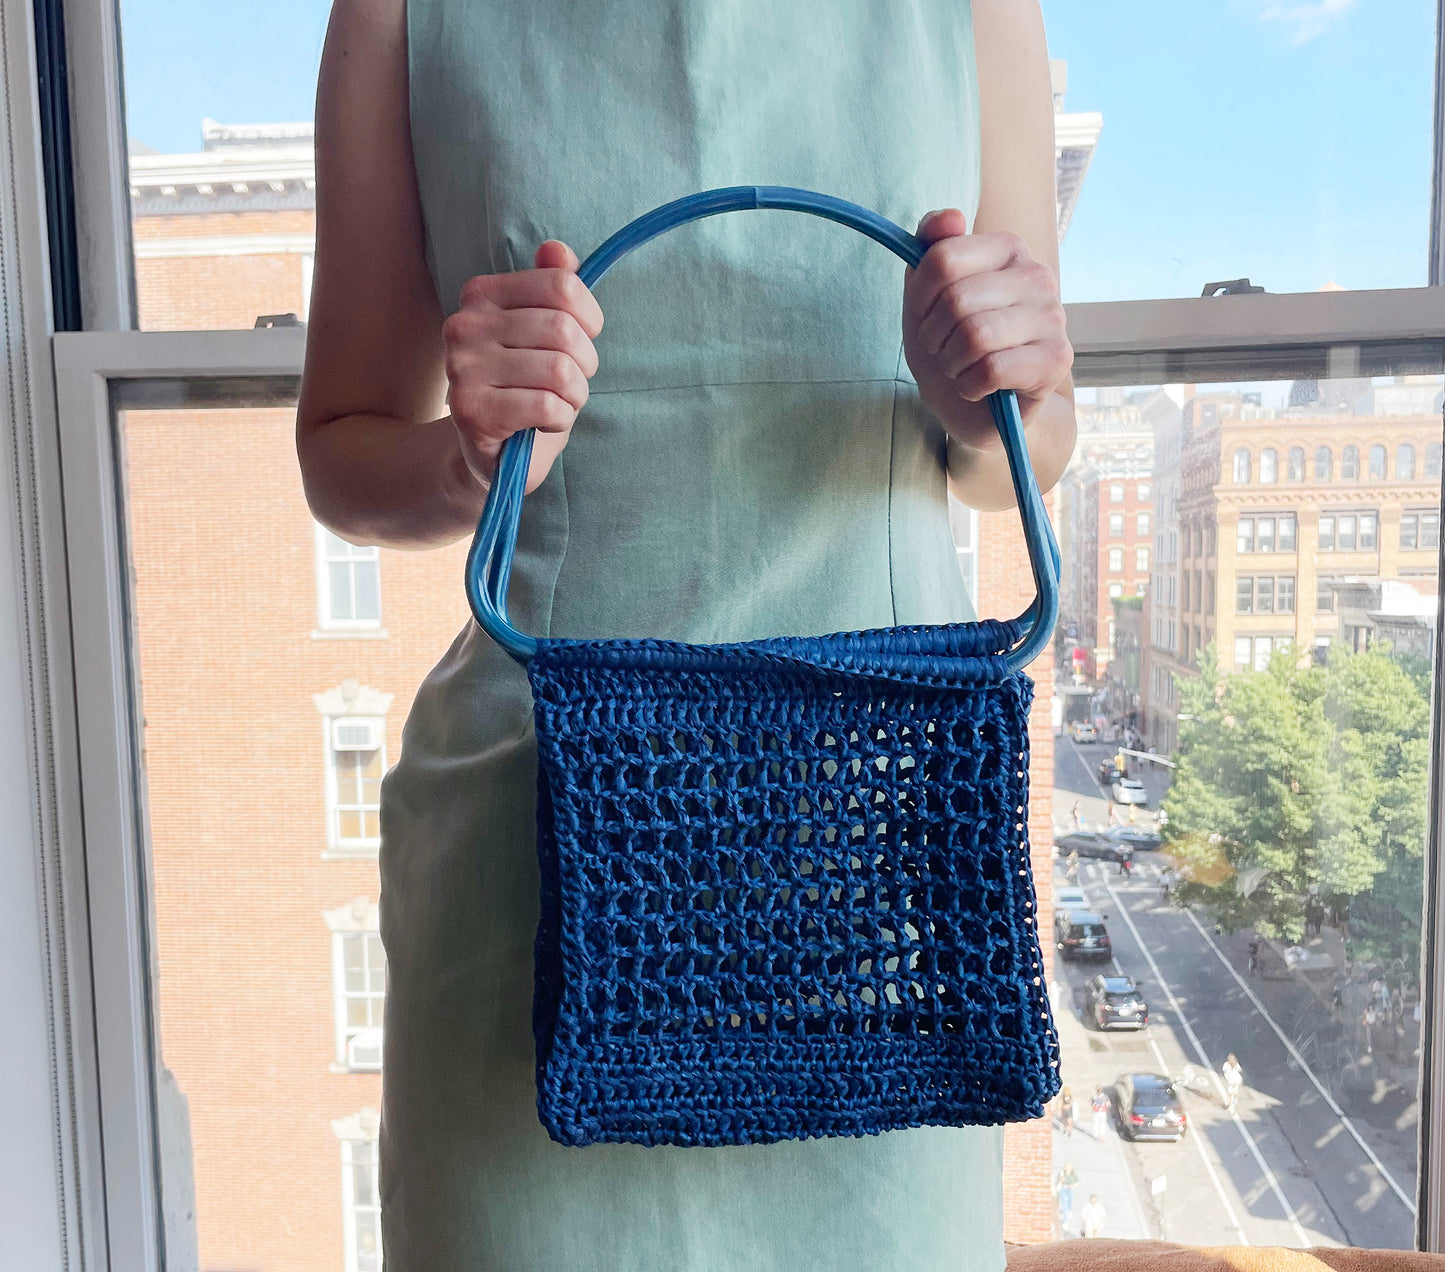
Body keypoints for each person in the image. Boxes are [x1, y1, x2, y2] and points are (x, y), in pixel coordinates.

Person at [298, 3, 1076, 1266]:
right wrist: (469, 454)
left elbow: (1031, 448)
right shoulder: (399, 13)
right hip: (531, 861)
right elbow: (341, 451)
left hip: (877, 893)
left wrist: (987, 401)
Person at [1054, 1161, 1080, 1231]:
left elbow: (1077, 1181)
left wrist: (1073, 1186)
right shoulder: (1062, 1173)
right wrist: (1060, 1180)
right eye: (1067, 1168)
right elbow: (1057, 1182)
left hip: (1070, 1190)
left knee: (1069, 1202)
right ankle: (1066, 1221)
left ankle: (1069, 1210)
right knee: (1064, 1204)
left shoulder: (1072, 1174)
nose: (1068, 1169)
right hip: (1063, 1190)